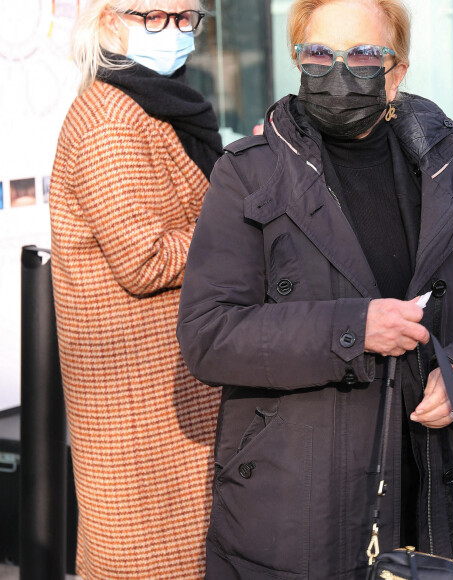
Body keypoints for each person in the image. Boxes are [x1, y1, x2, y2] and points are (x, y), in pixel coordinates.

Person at [176, 0, 453, 578]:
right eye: (319, 53)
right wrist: (351, 330)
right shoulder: (248, 173)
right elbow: (210, 333)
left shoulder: (450, 166)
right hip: (300, 513)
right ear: (297, 60)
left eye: (365, 55)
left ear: (396, 73)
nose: (339, 72)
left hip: (437, 501)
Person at [50, 1, 222, 577]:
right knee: (151, 560)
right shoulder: (111, 118)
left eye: (184, 19)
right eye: (153, 15)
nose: (171, 32)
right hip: (137, 405)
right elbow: (143, 259)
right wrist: (236, 228)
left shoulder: (155, 101)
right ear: (107, 20)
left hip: (164, 391)